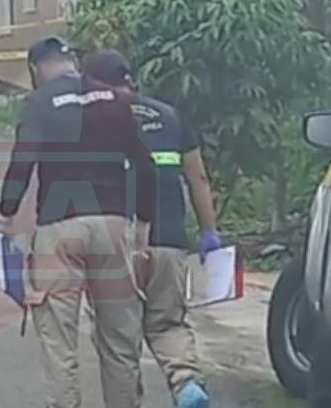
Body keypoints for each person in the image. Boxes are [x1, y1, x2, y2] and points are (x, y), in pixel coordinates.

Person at [0, 36, 157, 408]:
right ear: (72, 63)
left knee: (59, 341)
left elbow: (23, 161)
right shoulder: (115, 99)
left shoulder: (40, 102)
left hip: (60, 230)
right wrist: (143, 226)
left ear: (36, 69)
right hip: (113, 226)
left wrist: (5, 214)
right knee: (119, 340)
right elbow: (145, 166)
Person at [83, 49, 220, 408]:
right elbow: (198, 178)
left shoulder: (89, 119)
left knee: (118, 341)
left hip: (117, 244)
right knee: (167, 324)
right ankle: (186, 383)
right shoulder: (170, 116)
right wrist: (209, 232)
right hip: (169, 242)